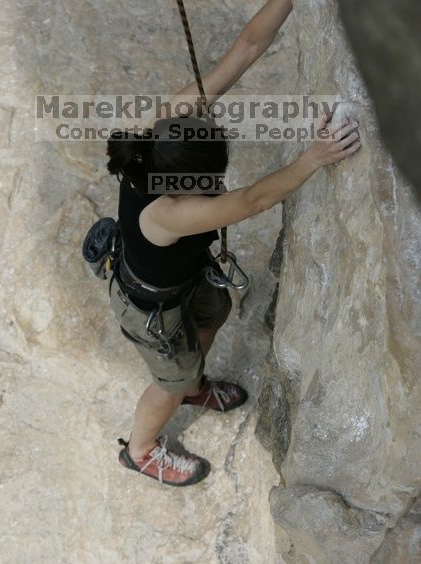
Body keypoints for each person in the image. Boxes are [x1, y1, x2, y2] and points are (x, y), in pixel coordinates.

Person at [106, 0, 361, 487]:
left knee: (212, 316)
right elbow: (253, 199)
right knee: (169, 381)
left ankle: (194, 383)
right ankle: (139, 450)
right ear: (183, 184)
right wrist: (314, 158)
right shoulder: (169, 212)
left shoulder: (164, 126)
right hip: (150, 306)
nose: (215, 182)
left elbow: (246, 48)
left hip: (181, 278)